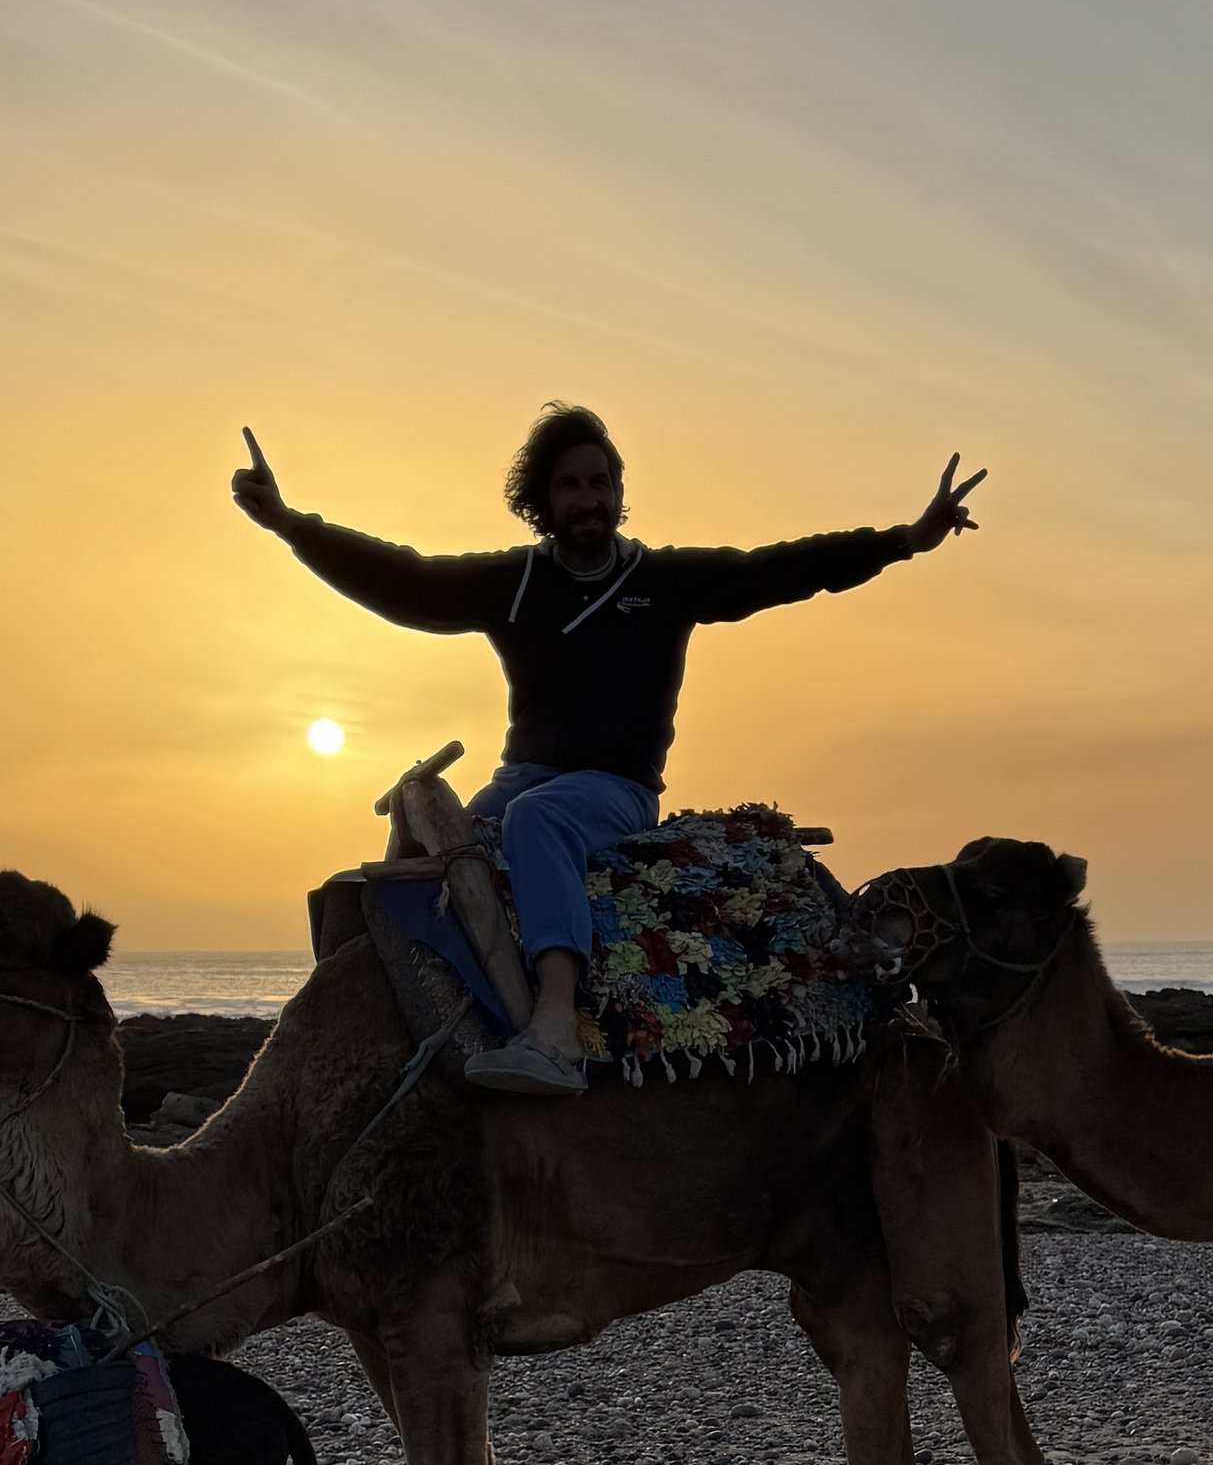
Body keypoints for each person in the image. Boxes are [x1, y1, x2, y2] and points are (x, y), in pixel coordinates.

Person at [234, 404, 984, 1093]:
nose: (588, 498)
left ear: (620, 491)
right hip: (520, 776)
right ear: (545, 499)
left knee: (537, 822)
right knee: (418, 830)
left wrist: (904, 541)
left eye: (601, 482)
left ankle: (554, 1026)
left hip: (613, 789)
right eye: (570, 485)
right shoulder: (517, 582)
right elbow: (409, 581)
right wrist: (292, 525)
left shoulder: (662, 582)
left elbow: (780, 569)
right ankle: (406, 1035)